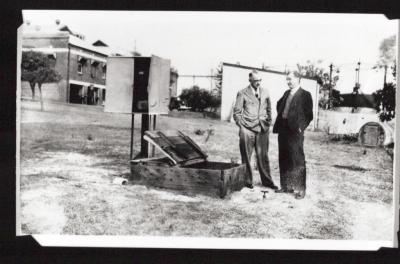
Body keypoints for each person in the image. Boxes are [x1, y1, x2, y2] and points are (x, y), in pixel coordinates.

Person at [233, 70, 277, 190]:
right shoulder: (242, 93)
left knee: (263, 156)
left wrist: (268, 123)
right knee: (246, 156)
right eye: (256, 80)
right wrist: (242, 127)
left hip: (262, 129)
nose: (258, 82)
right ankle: (247, 181)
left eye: (260, 80)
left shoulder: (266, 92)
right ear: (250, 80)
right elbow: (236, 113)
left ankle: (267, 181)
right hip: (247, 129)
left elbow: (269, 109)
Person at [272, 71, 313, 199]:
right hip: (283, 129)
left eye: (290, 79)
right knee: (284, 157)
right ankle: (286, 186)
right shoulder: (286, 93)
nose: (288, 82)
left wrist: (301, 127)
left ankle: (301, 189)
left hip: (295, 132)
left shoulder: (305, 95)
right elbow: (279, 105)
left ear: (298, 79)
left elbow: (309, 115)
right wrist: (282, 117)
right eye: (287, 79)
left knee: (297, 159)